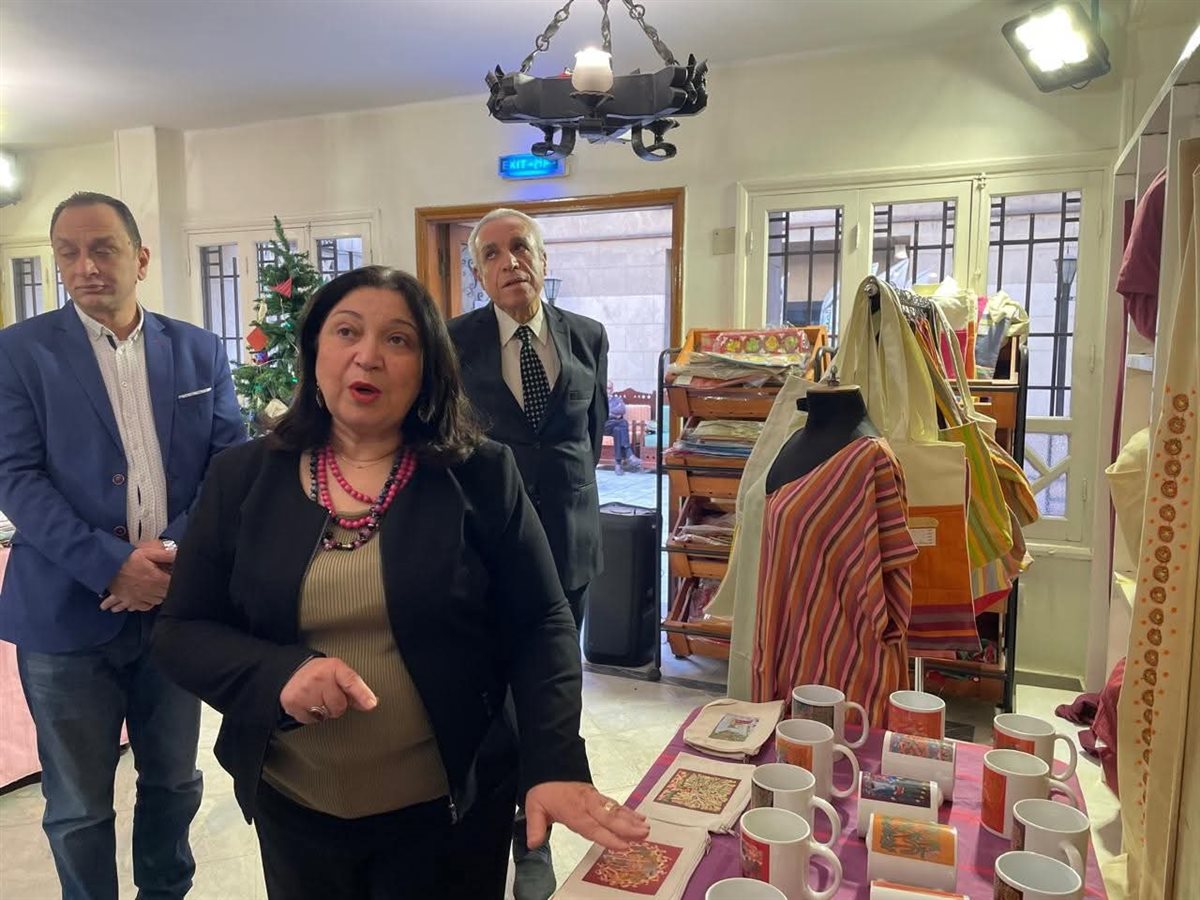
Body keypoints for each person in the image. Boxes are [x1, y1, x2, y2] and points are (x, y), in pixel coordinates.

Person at [151, 266, 648, 900]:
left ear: (427, 369)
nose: (368, 355)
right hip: (295, 811)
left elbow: (541, 622)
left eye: (398, 339)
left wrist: (551, 761)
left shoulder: (480, 473)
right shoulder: (242, 477)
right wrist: (277, 675)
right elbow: (181, 630)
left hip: (449, 818)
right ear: (315, 351)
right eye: (347, 331)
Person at [0, 191, 246, 900]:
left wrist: (170, 557)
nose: (85, 266)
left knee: (175, 781)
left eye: (102, 248)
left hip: (174, 610)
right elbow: (15, 477)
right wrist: (112, 567)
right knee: (78, 805)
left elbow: (229, 466)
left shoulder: (197, 349)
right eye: (68, 252)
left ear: (139, 258)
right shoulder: (18, 354)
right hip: (64, 614)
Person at [448, 208, 609, 898]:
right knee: (496, 694)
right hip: (487, 546)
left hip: (570, 543)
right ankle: (492, 816)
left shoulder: (588, 336)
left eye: (521, 247)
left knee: (552, 687)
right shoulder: (452, 343)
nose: (508, 261)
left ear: (543, 260)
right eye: (491, 253)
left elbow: (589, 434)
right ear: (477, 273)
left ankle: (532, 833)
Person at [604, 381, 643, 475]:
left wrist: (609, 413)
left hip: (614, 426)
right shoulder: (600, 401)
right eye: (606, 388)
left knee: (618, 430)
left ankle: (618, 464)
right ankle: (629, 454)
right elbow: (603, 413)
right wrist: (614, 415)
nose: (608, 390)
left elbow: (622, 410)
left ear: (612, 389)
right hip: (604, 426)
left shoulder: (617, 399)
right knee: (623, 422)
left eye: (609, 388)